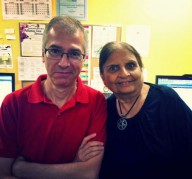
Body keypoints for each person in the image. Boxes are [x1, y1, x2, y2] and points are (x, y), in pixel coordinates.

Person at [0, 16, 107, 179]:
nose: (64, 63)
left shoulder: (96, 101)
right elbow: (4, 173)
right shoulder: (13, 103)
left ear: (83, 59)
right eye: (55, 51)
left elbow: (88, 173)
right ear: (43, 54)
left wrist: (23, 169)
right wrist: (75, 164)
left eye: (74, 53)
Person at [98, 41, 192, 178]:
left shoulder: (166, 99)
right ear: (103, 77)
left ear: (140, 69)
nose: (124, 74)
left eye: (130, 65)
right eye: (113, 68)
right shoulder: (105, 109)